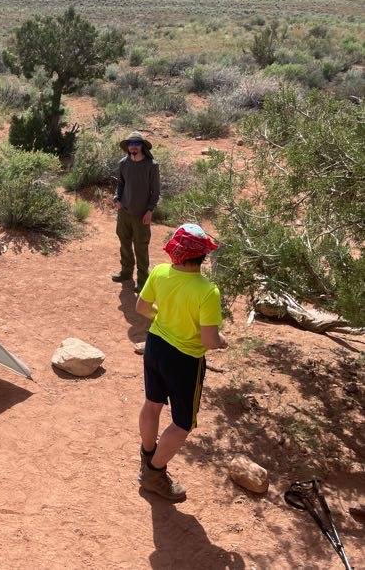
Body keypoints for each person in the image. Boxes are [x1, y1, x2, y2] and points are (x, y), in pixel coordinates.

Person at [134, 223, 227, 501]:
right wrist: (222, 341)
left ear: (175, 249)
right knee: (182, 423)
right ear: (202, 256)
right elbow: (209, 340)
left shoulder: (161, 272)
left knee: (152, 404)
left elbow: (141, 307)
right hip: (185, 359)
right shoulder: (207, 291)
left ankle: (147, 455)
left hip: (155, 346)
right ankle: (154, 473)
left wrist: (166, 320)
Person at [112, 131, 161, 293]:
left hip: (142, 214)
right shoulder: (123, 163)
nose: (133, 146)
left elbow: (156, 191)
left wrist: (150, 210)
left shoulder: (151, 166)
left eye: (136, 143)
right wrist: (117, 198)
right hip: (124, 211)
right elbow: (121, 183)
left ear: (142, 146)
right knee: (124, 243)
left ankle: (142, 281)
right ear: (128, 146)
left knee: (141, 247)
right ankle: (126, 273)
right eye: (130, 143)